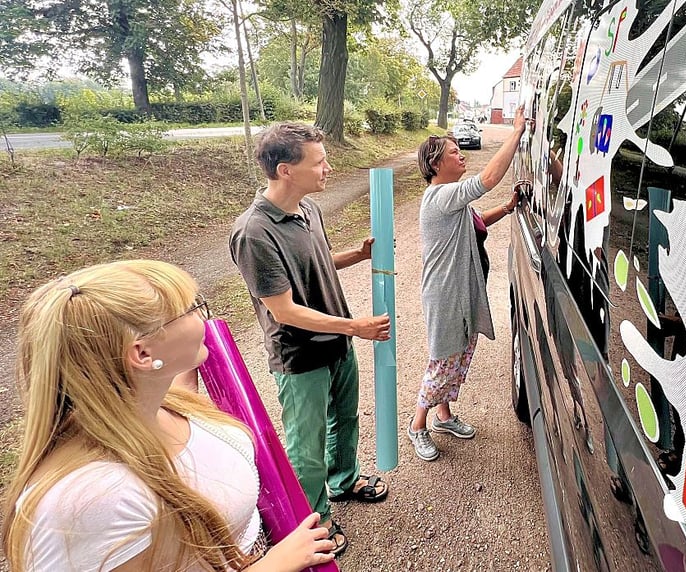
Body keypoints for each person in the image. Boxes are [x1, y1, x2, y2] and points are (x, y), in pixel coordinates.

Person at [1, 259, 340, 571]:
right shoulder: (91, 499)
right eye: (192, 309)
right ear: (143, 353)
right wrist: (272, 565)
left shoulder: (162, 404)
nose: (203, 318)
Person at [228, 123, 392, 543]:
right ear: (286, 170)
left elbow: (314, 263)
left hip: (337, 342)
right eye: (318, 162)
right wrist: (356, 326)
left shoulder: (307, 209)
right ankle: (313, 521)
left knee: (346, 418)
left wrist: (356, 254)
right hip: (299, 356)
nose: (328, 168)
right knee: (307, 445)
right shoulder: (254, 233)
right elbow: (283, 310)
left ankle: (344, 480)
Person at [407, 105, 528, 461]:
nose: (461, 155)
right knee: (444, 360)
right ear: (435, 165)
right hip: (445, 295)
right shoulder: (441, 196)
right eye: (453, 152)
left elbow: (477, 222)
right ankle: (418, 426)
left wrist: (507, 208)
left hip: (460, 292)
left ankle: (443, 417)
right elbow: (488, 178)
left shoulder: (452, 199)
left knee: (460, 355)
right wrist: (516, 132)